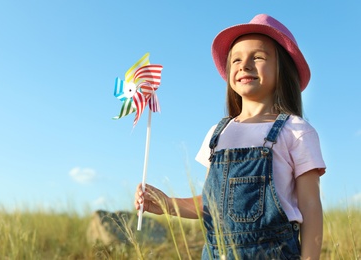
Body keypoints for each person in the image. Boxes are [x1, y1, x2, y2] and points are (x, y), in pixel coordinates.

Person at [134, 14, 326, 260]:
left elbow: (310, 207)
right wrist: (166, 203)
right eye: (236, 59)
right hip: (217, 254)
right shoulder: (217, 133)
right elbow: (210, 202)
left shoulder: (296, 131)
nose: (244, 65)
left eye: (257, 57)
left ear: (283, 69)